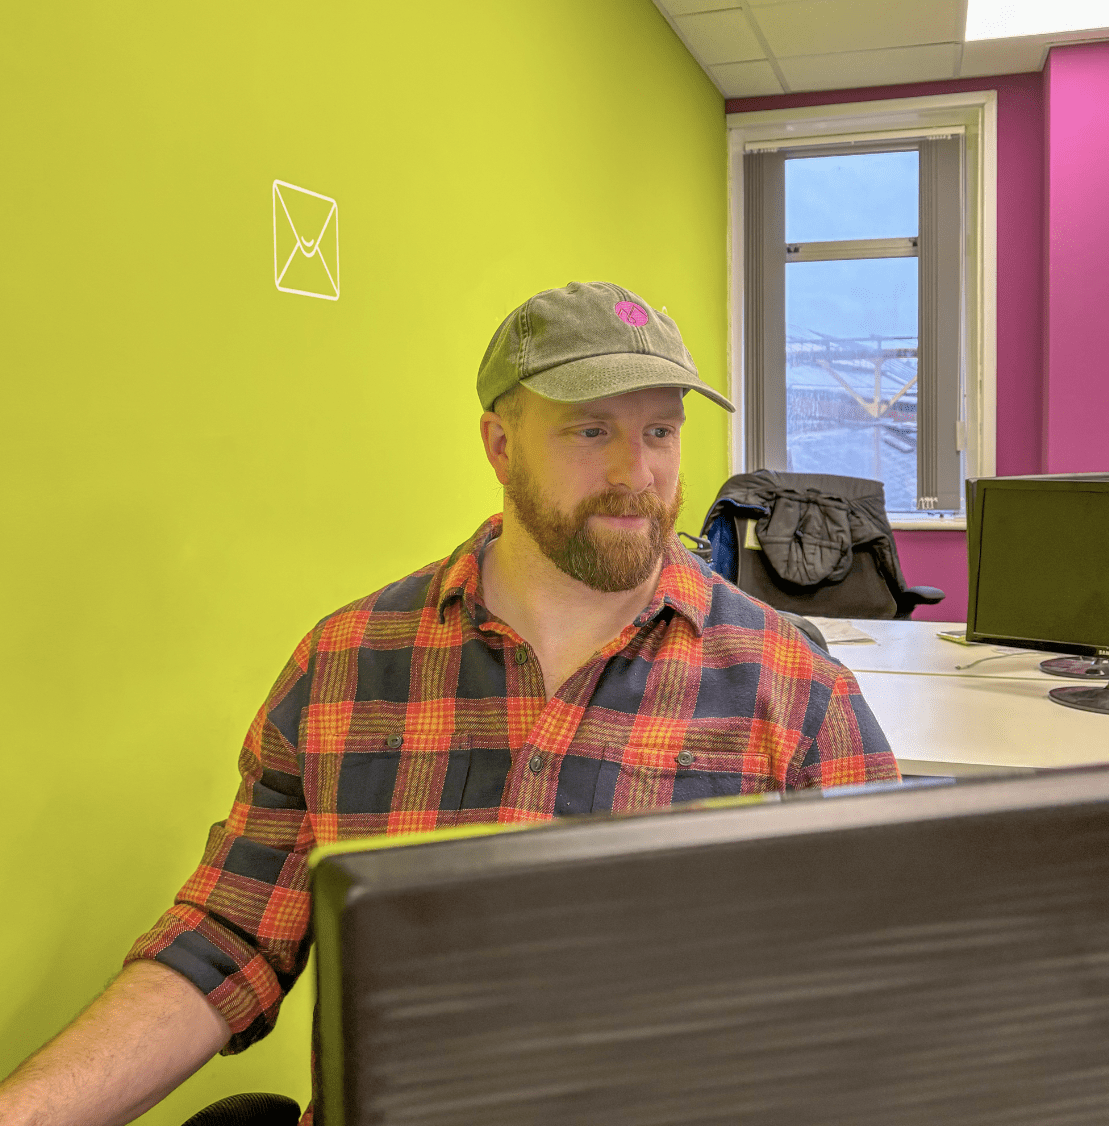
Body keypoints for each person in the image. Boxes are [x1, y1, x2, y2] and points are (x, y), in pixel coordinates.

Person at [0, 280, 898, 1125]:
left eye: (660, 432)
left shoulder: (794, 692)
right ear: (499, 445)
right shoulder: (346, 665)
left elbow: (884, 988)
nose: (638, 472)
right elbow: (228, 936)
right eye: (591, 431)